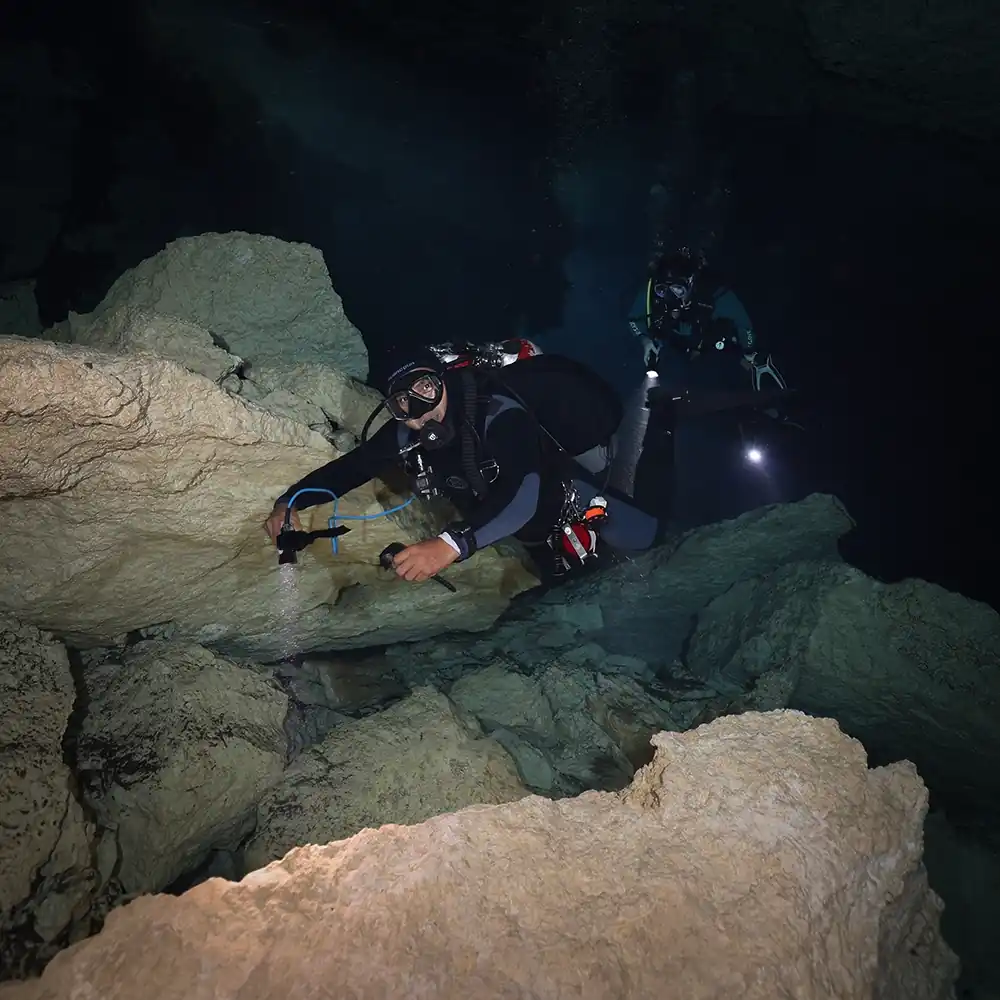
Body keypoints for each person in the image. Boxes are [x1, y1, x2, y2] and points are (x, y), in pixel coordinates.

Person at [264, 343, 661, 582]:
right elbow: (350, 469)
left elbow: (523, 491)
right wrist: (291, 501)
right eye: (402, 402)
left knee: (646, 549)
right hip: (524, 539)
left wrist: (450, 545)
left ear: (442, 382)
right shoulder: (406, 433)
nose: (419, 409)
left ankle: (667, 421)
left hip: (577, 511)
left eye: (424, 388)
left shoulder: (498, 413)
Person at [628, 246, 787, 392]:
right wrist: (645, 340)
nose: (670, 297)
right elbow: (634, 320)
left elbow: (744, 325)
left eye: (677, 289)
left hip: (708, 346)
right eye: (662, 290)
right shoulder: (649, 294)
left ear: (690, 282)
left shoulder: (716, 295)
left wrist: (750, 351)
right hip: (675, 346)